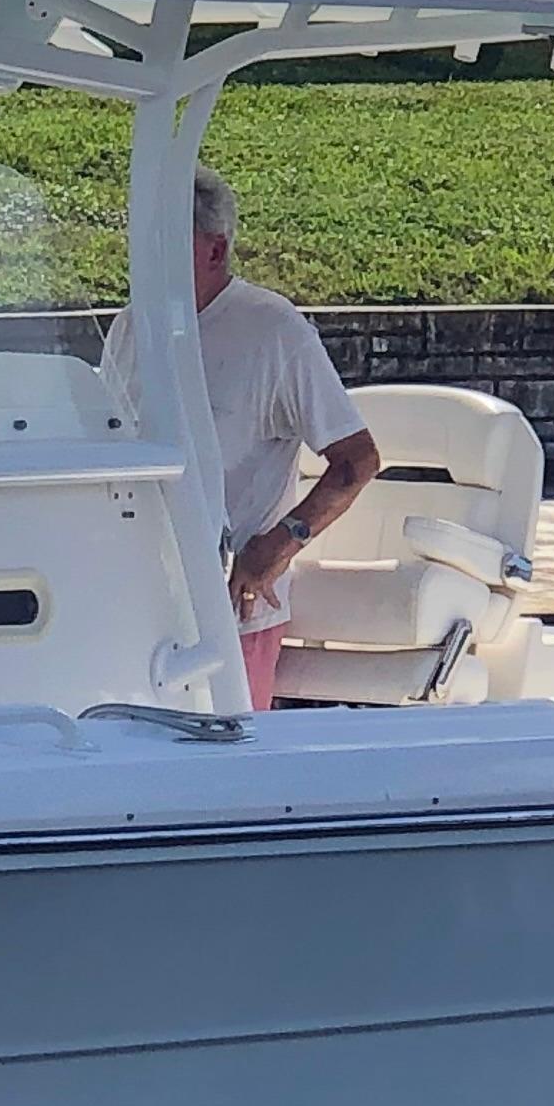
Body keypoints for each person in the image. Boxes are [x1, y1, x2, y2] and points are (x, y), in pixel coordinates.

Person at [100, 164, 382, 708]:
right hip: (139, 603)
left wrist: (279, 545)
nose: (146, 259)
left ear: (214, 249)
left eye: (165, 243)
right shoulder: (132, 325)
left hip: (233, 612)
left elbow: (357, 461)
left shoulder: (274, 331)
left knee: (229, 767)